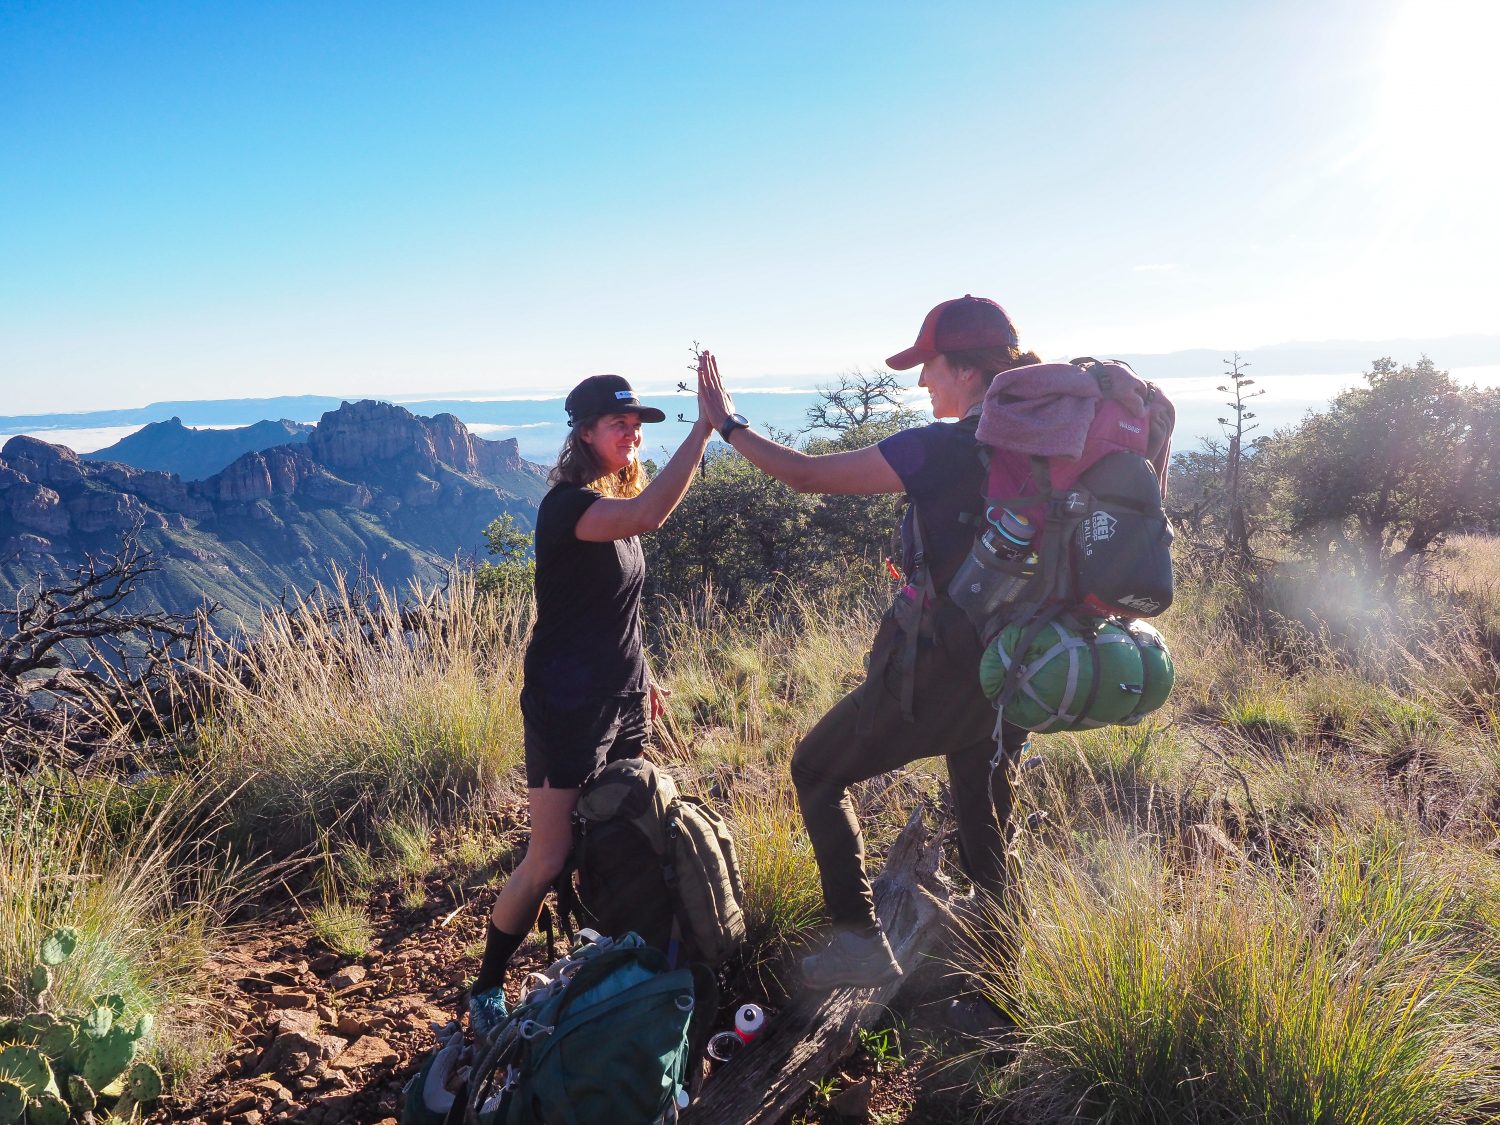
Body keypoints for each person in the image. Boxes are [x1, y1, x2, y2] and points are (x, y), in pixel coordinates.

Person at [696, 296, 1037, 994]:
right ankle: (1004, 978)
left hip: (943, 670)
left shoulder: (942, 449)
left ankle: (858, 941)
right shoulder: (1032, 446)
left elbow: (808, 474)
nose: (922, 383)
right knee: (984, 819)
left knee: (816, 769)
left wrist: (726, 424)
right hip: (1015, 665)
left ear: (969, 370)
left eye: (931, 366)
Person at [467, 373, 713, 1036]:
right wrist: (704, 428)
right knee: (547, 854)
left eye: (637, 425)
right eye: (619, 424)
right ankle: (487, 987)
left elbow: (618, 611)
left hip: (623, 698)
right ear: (583, 432)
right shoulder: (567, 506)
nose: (633, 434)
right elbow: (652, 514)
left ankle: (604, 952)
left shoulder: (608, 499)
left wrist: (647, 678)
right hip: (568, 707)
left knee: (613, 832)